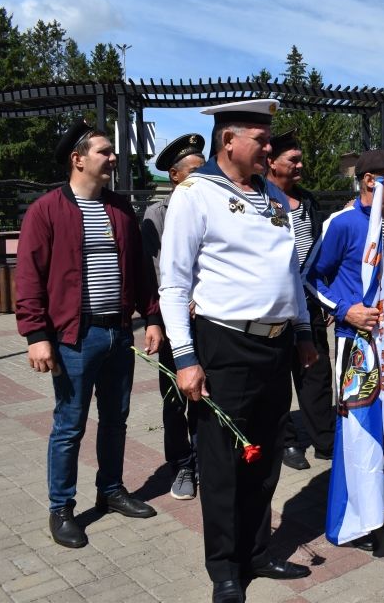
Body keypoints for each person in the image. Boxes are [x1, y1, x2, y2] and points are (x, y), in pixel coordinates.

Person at [159, 99, 317, 601]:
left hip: (277, 344)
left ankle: (256, 550)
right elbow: (174, 284)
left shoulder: (270, 196)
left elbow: (289, 269)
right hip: (225, 342)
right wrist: (185, 358)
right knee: (225, 460)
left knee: (265, 456)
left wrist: (306, 330)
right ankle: (225, 567)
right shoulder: (196, 194)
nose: (270, 149)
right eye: (261, 140)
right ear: (229, 140)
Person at [16, 119, 163, 549]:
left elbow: (138, 271)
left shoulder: (119, 208)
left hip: (118, 334)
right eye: (105, 151)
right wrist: (36, 335)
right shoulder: (46, 210)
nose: (113, 157)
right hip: (73, 339)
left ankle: (111, 489)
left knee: (116, 419)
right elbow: (28, 277)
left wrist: (151, 317)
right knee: (70, 425)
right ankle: (61, 508)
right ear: (78, 159)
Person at [302, 149, 384, 551]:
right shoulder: (343, 223)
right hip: (359, 347)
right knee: (358, 431)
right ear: (370, 180)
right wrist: (346, 310)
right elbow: (311, 278)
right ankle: (353, 520)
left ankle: (382, 507)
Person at [265, 129, 335, 471]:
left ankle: (325, 440)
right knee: (276, 378)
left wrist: (329, 299)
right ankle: (288, 442)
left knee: (316, 372)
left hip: (309, 303)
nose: (300, 165)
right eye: (293, 160)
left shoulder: (308, 201)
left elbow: (321, 255)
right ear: (270, 162)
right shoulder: (257, 199)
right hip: (272, 305)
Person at [141, 133, 206, 500]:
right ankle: (182, 464)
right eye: (194, 171)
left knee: (206, 394)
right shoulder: (158, 214)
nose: (201, 176)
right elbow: (157, 272)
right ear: (176, 176)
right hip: (175, 322)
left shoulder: (211, 203)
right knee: (175, 397)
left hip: (210, 321)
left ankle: (204, 459)